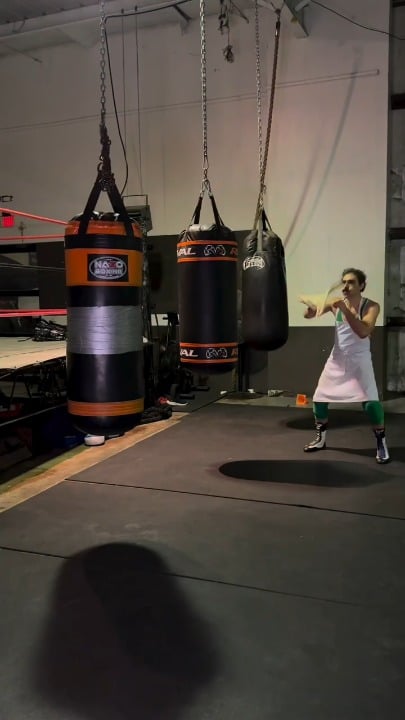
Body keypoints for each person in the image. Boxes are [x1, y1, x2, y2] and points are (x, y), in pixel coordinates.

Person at [302, 268, 389, 464]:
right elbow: (309, 315)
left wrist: (344, 308)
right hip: (337, 359)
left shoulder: (371, 306)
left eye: (351, 282)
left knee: (371, 402)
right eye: (344, 282)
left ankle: (381, 443)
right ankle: (321, 439)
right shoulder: (336, 304)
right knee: (319, 398)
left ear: (361, 285)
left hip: (360, 360)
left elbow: (363, 331)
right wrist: (311, 308)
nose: (346, 286)